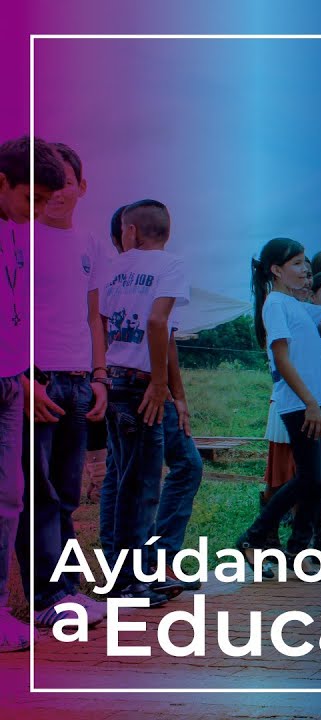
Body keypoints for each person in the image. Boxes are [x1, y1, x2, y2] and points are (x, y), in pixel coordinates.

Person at [237, 238, 321, 574]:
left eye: (305, 261)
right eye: (296, 262)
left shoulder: (297, 305)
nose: (305, 268)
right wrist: (312, 404)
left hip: (315, 403)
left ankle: (298, 549)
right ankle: (253, 536)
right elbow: (282, 360)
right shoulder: (276, 304)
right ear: (276, 270)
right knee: (311, 474)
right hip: (299, 403)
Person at [97, 203, 204, 593]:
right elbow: (158, 323)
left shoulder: (112, 269)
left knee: (125, 479)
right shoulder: (170, 266)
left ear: (130, 230)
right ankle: (128, 580)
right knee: (138, 486)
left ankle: (130, 569)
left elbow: (104, 324)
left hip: (113, 378)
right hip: (143, 385)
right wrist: (160, 385)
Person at [24, 142, 109, 624]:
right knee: (40, 494)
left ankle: (65, 592)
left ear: (82, 186)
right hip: (37, 380)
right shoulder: (22, 237)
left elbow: (93, 317)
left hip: (79, 382)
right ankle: (48, 596)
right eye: (47, 184)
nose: (57, 192)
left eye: (65, 182)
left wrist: (99, 376)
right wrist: (28, 375)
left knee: (68, 493)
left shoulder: (92, 245)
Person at [0, 136, 67, 649]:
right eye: (32, 199)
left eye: (45, 201)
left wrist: (24, 378)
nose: (38, 211)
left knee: (9, 498)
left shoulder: (16, 234)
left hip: (10, 382)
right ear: (2, 182)